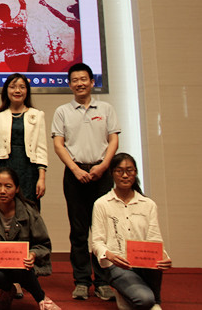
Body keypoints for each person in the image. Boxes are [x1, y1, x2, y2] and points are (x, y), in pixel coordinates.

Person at [52, 62, 119, 301]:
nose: (79, 83)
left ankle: (102, 282)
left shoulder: (106, 108)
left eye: (84, 79)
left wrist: (104, 166)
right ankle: (81, 281)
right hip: (74, 175)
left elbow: (113, 140)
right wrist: (75, 169)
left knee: (102, 231)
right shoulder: (62, 111)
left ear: (92, 82)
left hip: (102, 174)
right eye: (75, 80)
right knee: (78, 231)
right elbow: (59, 144)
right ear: (69, 85)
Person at [92, 153, 170, 310]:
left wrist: (164, 258)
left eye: (130, 170)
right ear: (112, 173)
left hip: (144, 264)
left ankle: (153, 301)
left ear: (135, 172)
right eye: (119, 171)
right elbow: (97, 242)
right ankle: (144, 299)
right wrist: (109, 255)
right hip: (117, 264)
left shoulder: (148, 204)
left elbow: (154, 239)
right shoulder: (102, 204)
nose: (125, 175)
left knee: (156, 264)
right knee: (145, 300)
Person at [0, 168, 61, 310]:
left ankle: (42, 299)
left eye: (8, 186)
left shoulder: (30, 212)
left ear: (17, 189)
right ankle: (8, 290)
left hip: (23, 267)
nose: (2, 191)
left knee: (20, 269)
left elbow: (44, 244)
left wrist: (33, 254)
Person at [0, 73, 48, 207]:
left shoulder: (37, 115)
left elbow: (41, 149)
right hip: (4, 166)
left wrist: (41, 178)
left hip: (29, 170)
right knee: (5, 207)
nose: (17, 90)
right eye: (13, 87)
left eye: (22, 87)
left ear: (27, 91)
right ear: (6, 90)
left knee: (29, 208)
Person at [0, 0, 35, 72]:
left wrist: (9, 41)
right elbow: (23, 4)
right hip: (26, 56)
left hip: (11, 58)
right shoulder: (20, 20)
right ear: (9, 11)